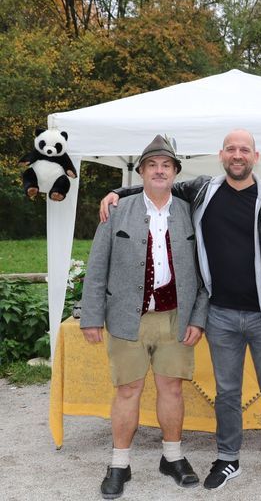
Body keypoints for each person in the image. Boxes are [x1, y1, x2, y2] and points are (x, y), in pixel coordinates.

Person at [99, 129, 261, 495]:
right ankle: (228, 458)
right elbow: (158, 186)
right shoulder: (203, 190)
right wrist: (119, 192)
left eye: (244, 149)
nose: (237, 154)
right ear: (221, 155)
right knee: (227, 393)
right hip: (221, 316)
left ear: (255, 157)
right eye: (231, 149)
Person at [82, 135, 208, 499]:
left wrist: (197, 318)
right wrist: (91, 317)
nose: (159, 170)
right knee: (127, 390)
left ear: (175, 173)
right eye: (152, 165)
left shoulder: (190, 213)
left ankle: (172, 457)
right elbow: (96, 268)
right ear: (140, 172)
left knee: (172, 388)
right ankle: (119, 464)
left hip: (175, 317)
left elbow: (204, 274)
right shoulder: (117, 210)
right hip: (126, 317)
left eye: (166, 165)